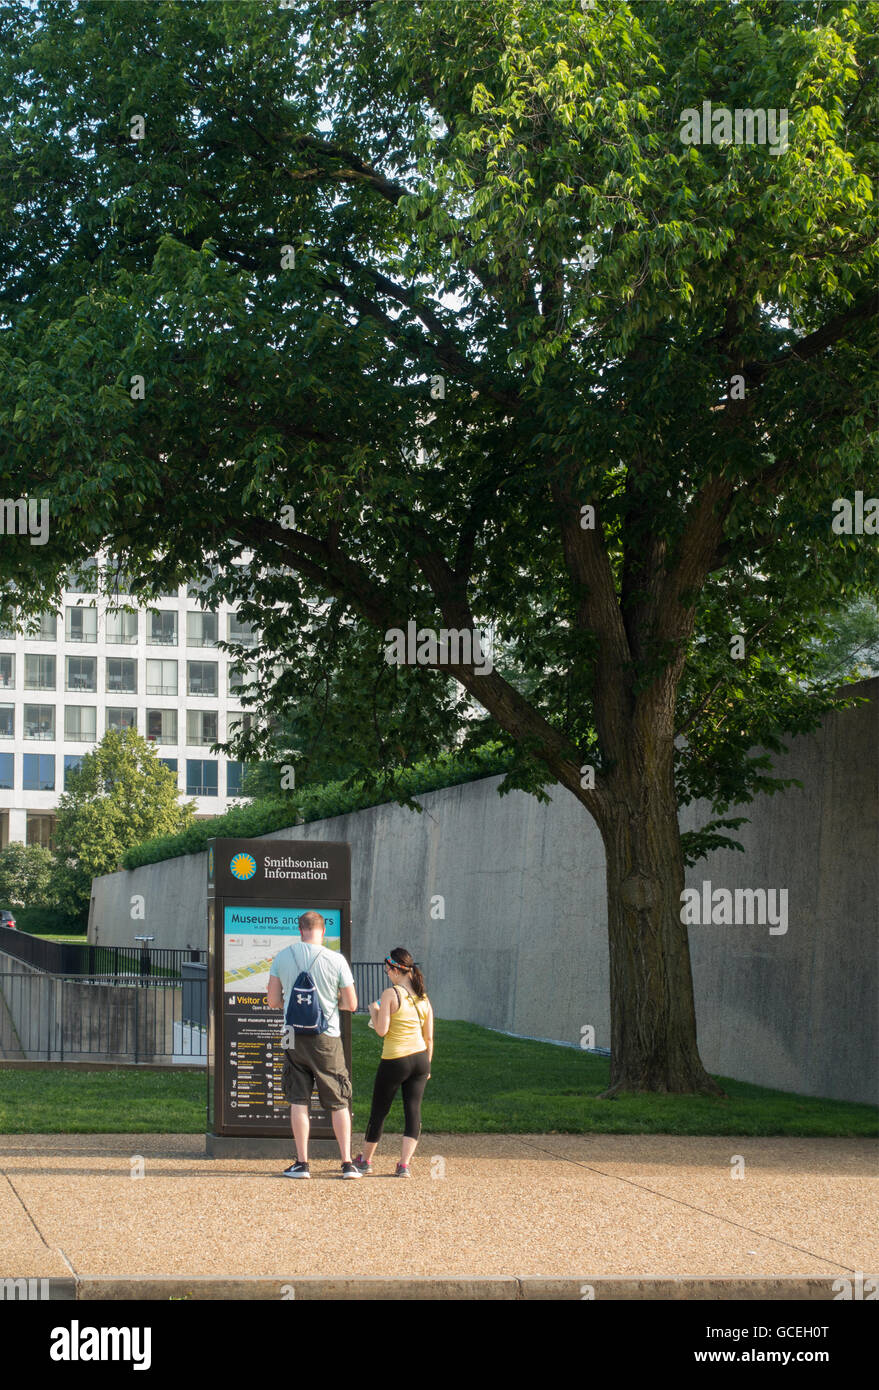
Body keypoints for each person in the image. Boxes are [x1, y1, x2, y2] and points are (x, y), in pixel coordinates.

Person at [266, 910, 360, 1179]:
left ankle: (302, 1163)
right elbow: (351, 1004)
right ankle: (346, 1163)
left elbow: (273, 1001)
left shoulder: (283, 957)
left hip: (292, 1035)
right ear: (323, 932)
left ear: (300, 930)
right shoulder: (336, 959)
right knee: (339, 1098)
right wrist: (332, 1006)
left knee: (298, 1098)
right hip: (327, 1035)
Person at [354, 948, 433, 1177]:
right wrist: (427, 1066)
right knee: (413, 1110)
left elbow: (381, 1030)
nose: (387, 974)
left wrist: (373, 1010)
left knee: (379, 1110)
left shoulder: (391, 993)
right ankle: (404, 1165)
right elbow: (429, 1037)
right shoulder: (424, 998)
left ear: (396, 969)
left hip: (395, 1059)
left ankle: (366, 1161)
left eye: (388, 970)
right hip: (420, 1060)